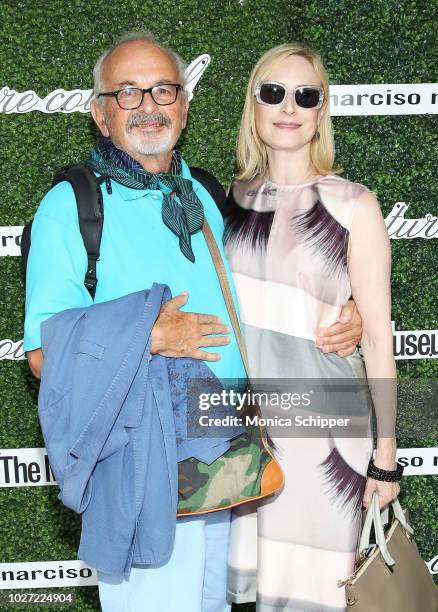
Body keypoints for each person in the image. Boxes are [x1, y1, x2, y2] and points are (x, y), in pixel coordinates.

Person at [24, 32, 362, 612]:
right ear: (99, 115)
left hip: (229, 458)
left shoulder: (205, 192)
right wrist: (151, 336)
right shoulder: (72, 203)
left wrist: (345, 311)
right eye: (127, 94)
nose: (148, 106)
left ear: (184, 104)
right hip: (143, 464)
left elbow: (270, 279)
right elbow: (43, 354)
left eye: (162, 90)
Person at [224, 43, 401, 611]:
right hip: (246, 440)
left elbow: (376, 335)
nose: (289, 107)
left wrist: (386, 456)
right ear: (253, 105)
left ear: (321, 111)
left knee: (313, 599)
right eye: (273, 92)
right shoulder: (227, 200)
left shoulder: (354, 205)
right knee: (251, 596)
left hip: (326, 438)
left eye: (306, 96)